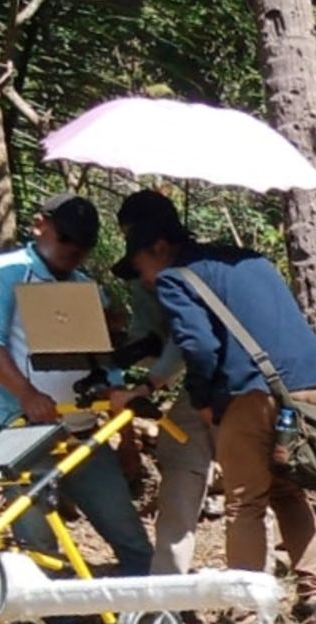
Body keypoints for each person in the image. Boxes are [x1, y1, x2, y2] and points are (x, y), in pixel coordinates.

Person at [115, 212, 316, 624]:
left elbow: (198, 346)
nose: (144, 278)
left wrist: (204, 402)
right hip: (312, 383)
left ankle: (246, 611)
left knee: (245, 501)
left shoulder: (175, 278)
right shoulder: (250, 260)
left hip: (252, 393)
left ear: (160, 248)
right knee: (289, 491)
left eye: (141, 266)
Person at [0, 192, 153, 576]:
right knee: (39, 547)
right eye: (66, 238)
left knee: (131, 538)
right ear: (41, 226)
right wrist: (27, 395)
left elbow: (105, 365)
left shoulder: (86, 287)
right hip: (22, 435)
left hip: (83, 434)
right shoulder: (4, 272)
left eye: (84, 244)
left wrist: (129, 441)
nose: (75, 251)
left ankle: (151, 614)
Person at [108, 191, 216, 578]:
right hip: (197, 383)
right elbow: (150, 335)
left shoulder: (199, 270)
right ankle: (168, 579)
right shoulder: (143, 279)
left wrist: (151, 384)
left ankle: (252, 587)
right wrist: (121, 354)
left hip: (234, 382)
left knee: (249, 486)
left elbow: (188, 341)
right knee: (179, 452)